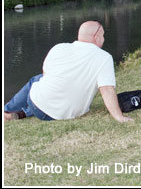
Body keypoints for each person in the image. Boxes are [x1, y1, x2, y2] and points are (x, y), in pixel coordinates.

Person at [4, 21, 132, 123]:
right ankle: (20, 113)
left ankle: (7, 111)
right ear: (96, 36)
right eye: (103, 35)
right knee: (45, 84)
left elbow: (45, 75)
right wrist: (119, 117)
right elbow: (107, 90)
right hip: (71, 113)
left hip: (39, 109)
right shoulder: (104, 57)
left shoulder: (59, 47)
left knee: (36, 80)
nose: (103, 39)